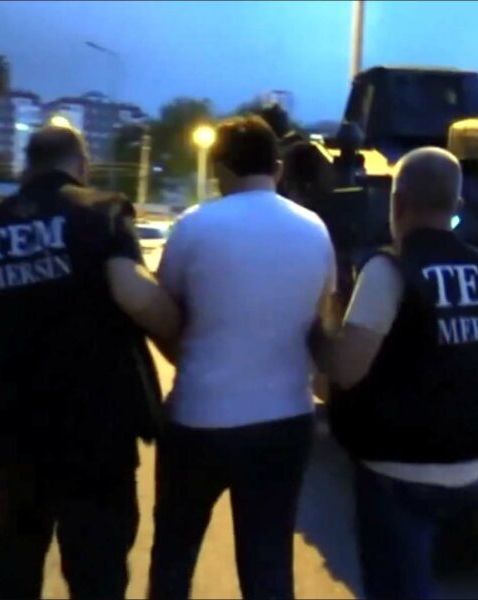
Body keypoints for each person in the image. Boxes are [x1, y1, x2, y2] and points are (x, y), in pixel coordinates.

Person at [0, 124, 179, 599]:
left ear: (25, 168)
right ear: (81, 166)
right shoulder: (102, 213)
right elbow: (136, 296)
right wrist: (185, 345)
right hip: (96, 430)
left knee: (17, 550)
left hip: (8, 431)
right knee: (97, 568)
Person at [147, 115, 336, 600]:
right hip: (284, 421)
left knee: (174, 557)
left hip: (199, 418)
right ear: (277, 167)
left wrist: (190, 358)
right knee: (268, 561)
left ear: (220, 171)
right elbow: (319, 322)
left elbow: (165, 316)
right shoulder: (314, 230)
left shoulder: (193, 227)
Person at [318, 147, 478, 600]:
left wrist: (316, 329)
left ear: (397, 203)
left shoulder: (389, 271)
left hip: (399, 474)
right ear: (457, 206)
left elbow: (346, 369)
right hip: (470, 471)